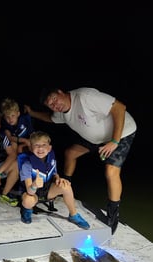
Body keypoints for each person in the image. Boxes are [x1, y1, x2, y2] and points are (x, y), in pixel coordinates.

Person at [24, 87, 137, 233]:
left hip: (121, 133)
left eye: (54, 99)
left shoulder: (85, 97)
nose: (54, 105)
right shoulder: (61, 113)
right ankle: (65, 186)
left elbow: (120, 108)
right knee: (70, 153)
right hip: (97, 139)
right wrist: (32, 113)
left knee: (111, 171)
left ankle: (113, 213)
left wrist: (114, 141)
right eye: (50, 105)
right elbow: (50, 118)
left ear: (60, 92)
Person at [18, 131, 90, 229]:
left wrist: (58, 179)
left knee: (66, 186)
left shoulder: (51, 157)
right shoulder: (27, 165)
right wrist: (34, 185)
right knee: (28, 200)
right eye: (36, 145)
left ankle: (73, 215)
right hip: (32, 193)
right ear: (31, 148)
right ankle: (26, 211)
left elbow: (54, 173)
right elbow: (30, 191)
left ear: (49, 148)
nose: (40, 148)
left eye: (44, 145)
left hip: (47, 190)